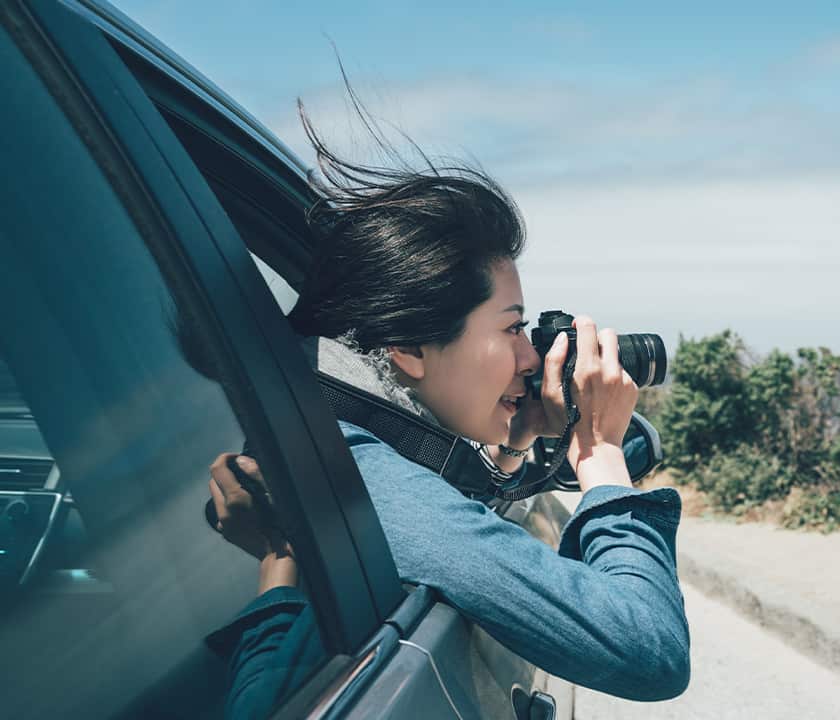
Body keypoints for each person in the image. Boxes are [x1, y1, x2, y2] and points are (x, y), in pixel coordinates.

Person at [205, 115, 690, 716]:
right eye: (513, 327)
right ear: (408, 346)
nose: (532, 356)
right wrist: (599, 452)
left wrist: (515, 440)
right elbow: (649, 649)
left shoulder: (322, 432)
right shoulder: (357, 474)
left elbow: (444, 521)